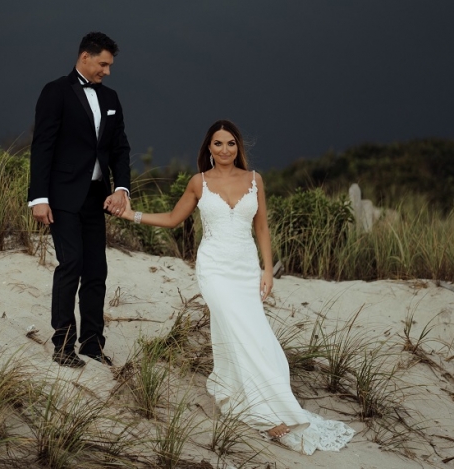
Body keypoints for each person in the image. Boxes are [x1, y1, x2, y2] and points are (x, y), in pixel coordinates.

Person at [117, 120, 355, 454]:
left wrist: (268, 270)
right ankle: (265, 415)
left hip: (246, 269)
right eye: (218, 144)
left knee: (257, 335)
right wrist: (132, 216)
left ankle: (267, 402)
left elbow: (262, 229)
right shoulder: (198, 182)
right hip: (213, 268)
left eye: (230, 143)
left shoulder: (255, 180)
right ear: (208, 148)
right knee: (234, 328)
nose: (225, 150)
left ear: (238, 147)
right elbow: (173, 219)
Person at [28, 32, 131, 368]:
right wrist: (38, 198)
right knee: (70, 264)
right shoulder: (55, 91)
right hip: (61, 197)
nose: (107, 71)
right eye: (103, 64)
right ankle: (63, 345)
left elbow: (120, 149)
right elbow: (42, 145)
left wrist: (122, 189)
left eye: (110, 65)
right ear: (85, 57)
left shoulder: (112, 97)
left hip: (95, 199)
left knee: (96, 270)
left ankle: (91, 343)